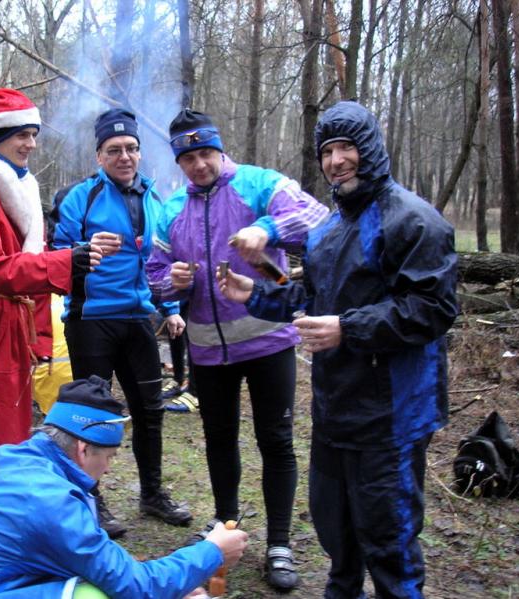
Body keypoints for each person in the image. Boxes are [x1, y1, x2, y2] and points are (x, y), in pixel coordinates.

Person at [217, 100, 459, 599]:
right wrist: (253, 293)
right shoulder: (329, 228)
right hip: (335, 408)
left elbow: (433, 308)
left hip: (392, 412)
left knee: (388, 540)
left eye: (347, 147)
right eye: (327, 151)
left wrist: (348, 329)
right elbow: (313, 298)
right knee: (337, 534)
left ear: (369, 148)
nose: (336, 161)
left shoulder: (413, 221)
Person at [145, 108, 329, 592]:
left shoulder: (258, 183)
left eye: (206, 153)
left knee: (276, 441)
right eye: (188, 157)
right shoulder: (170, 209)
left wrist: (267, 229)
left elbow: (318, 220)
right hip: (208, 351)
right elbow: (154, 273)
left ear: (220, 150)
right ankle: (225, 531)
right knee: (219, 441)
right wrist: (172, 282)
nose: (199, 164)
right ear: (179, 162)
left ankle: (279, 545)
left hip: (269, 341)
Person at [0, 376, 249, 599]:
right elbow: (133, 586)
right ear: (83, 449)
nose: (109, 469)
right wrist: (210, 554)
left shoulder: (9, 458)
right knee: (93, 595)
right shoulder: (50, 501)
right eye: (110, 458)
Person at [0, 88, 102, 482]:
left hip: (12, 324)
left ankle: (0, 522)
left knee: (10, 433)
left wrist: (40, 341)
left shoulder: (20, 187)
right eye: (20, 134)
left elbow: (32, 280)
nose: (30, 143)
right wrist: (65, 262)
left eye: (34, 134)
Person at [52, 108, 191, 538]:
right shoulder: (80, 197)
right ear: (99, 156)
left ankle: (152, 494)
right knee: (95, 415)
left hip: (139, 318)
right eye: (114, 150)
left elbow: (160, 259)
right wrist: (86, 248)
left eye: (131, 148)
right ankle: (93, 499)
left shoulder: (153, 197)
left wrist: (170, 309)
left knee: (150, 410)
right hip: (91, 319)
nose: (125, 156)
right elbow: (57, 255)